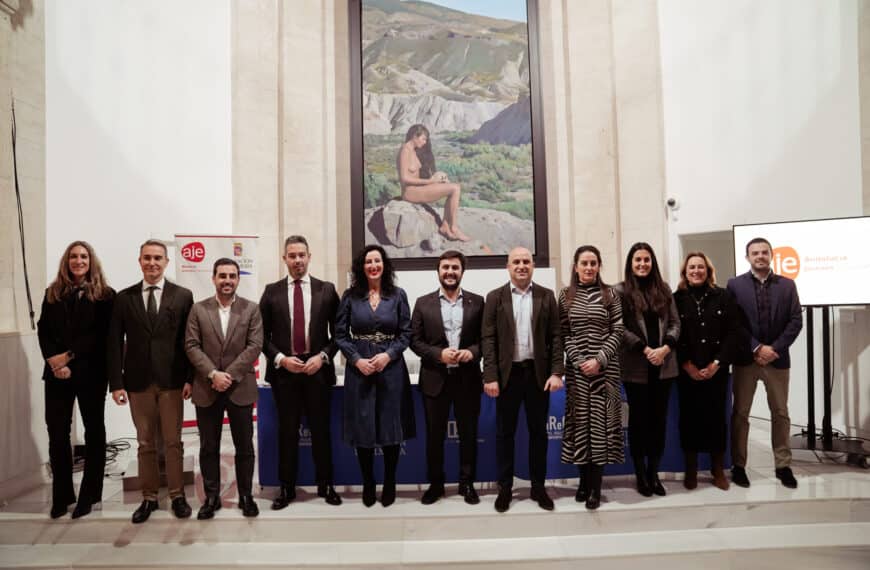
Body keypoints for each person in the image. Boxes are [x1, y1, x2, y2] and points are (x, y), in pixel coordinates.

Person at [107, 239, 194, 523]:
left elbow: (188, 342)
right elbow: (114, 343)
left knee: (173, 442)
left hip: (171, 381)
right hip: (137, 382)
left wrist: (189, 378)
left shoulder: (182, 296)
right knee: (145, 443)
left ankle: (177, 495)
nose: (152, 263)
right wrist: (116, 383)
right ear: (140, 261)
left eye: (158, 258)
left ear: (167, 262)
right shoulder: (124, 298)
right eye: (147, 258)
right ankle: (149, 498)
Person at [259, 235, 342, 508]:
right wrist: (281, 359)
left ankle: (326, 484)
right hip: (285, 373)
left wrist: (323, 357)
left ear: (309, 256)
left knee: (321, 431)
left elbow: (339, 334)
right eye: (292, 255)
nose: (297, 260)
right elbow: (260, 336)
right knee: (287, 432)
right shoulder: (271, 291)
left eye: (301, 255)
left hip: (317, 371)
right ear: (284, 259)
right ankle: (286, 488)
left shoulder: (326, 290)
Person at [482, 247, 564, 513]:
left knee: (538, 434)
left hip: (537, 375)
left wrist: (556, 372)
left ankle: (538, 488)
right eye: (516, 262)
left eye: (526, 261)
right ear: (508, 266)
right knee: (505, 434)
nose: (521, 266)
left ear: (532, 266)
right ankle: (504, 488)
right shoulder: (495, 297)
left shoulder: (546, 296)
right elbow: (488, 339)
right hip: (507, 376)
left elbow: (556, 337)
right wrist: (491, 375)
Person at [37, 241, 115, 519]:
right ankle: (62, 496)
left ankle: (90, 494)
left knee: (94, 433)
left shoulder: (105, 296)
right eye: (73, 256)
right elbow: (43, 330)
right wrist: (53, 360)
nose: (78, 261)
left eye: (83, 256)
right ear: (66, 261)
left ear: (91, 261)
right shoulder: (53, 293)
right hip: (56, 372)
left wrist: (67, 356)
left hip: (90, 373)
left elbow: (100, 337)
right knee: (57, 434)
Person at [336, 245, 415, 507]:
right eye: (368, 261)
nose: (373, 265)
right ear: (362, 266)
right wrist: (356, 359)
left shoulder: (398, 295)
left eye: (377, 261)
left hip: (390, 369)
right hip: (360, 369)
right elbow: (340, 334)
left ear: (384, 265)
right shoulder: (350, 296)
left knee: (391, 426)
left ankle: (390, 482)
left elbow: (406, 333)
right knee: (364, 427)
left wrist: (388, 355)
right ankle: (368, 482)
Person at [185, 258, 264, 519]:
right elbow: (191, 345)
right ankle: (211, 497)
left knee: (245, 447)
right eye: (222, 276)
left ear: (238, 279)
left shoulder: (251, 309)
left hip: (239, 387)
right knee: (209, 447)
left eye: (232, 276)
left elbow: (254, 345)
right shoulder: (198, 309)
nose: (227, 280)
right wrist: (212, 374)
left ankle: (245, 496)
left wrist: (227, 375)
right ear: (214, 278)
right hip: (206, 389)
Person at [727, 237, 803, 489]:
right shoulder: (735, 285)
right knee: (740, 414)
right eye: (754, 253)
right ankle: (739, 466)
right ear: (747, 257)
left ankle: (783, 466)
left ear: (771, 256)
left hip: (777, 360)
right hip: (745, 360)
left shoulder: (787, 285)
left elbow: (795, 321)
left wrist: (774, 349)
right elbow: (734, 323)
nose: (760, 256)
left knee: (780, 414)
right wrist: (756, 347)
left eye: (764, 252)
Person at [410, 250, 484, 505]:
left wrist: (471, 353)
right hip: (435, 379)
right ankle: (436, 484)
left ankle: (467, 483)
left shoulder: (478, 302)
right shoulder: (422, 303)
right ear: (438, 271)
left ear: (462, 271)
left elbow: (485, 342)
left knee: (468, 435)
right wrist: (438, 354)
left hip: (467, 379)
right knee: (434, 436)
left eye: (455, 267)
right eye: (445, 267)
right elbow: (414, 341)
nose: (450, 272)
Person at [558, 245, 624, 510]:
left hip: (605, 374)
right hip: (577, 374)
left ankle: (595, 488)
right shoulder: (565, 296)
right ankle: (582, 482)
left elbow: (618, 330)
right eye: (584, 263)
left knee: (601, 429)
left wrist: (599, 360)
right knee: (580, 429)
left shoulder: (611, 295)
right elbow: (563, 333)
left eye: (593, 263)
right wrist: (579, 360)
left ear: (599, 266)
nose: (588, 268)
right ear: (575, 267)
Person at [616, 242, 680, 497]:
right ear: (630, 263)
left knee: (658, 424)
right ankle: (640, 474)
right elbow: (618, 327)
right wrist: (645, 349)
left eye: (646, 259)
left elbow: (675, 322)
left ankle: (654, 473)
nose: (642, 264)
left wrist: (665, 348)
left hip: (664, 368)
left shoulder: (663, 290)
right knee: (639, 424)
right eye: (637, 260)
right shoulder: (619, 291)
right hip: (635, 369)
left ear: (652, 262)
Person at [673, 252, 741, 491]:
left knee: (716, 420)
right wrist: (687, 365)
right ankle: (691, 470)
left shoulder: (723, 297)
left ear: (708, 270)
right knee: (690, 420)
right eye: (692, 267)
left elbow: (733, 334)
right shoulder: (676, 299)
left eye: (701, 267)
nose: (696, 271)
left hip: (717, 372)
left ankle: (718, 469)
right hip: (687, 373)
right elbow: (673, 335)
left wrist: (717, 363)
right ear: (685, 272)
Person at [397, 123, 469, 242]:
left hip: (417, 189)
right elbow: (404, 178)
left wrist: (438, 178)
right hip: (410, 192)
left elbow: (416, 175)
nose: (425, 142)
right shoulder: (405, 150)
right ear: (415, 136)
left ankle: (445, 226)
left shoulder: (413, 150)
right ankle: (454, 228)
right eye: (423, 138)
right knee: (455, 188)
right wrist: (430, 181)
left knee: (451, 186)